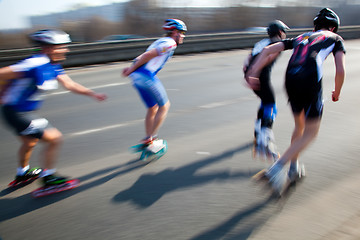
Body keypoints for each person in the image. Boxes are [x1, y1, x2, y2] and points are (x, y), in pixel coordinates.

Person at [245, 8, 345, 194]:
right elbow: (340, 70)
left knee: (299, 126)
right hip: (309, 80)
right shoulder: (335, 39)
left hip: (290, 79)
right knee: (311, 132)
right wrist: (337, 91)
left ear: (316, 26)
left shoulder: (302, 37)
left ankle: (294, 167)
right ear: (333, 28)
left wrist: (253, 72)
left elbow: (267, 50)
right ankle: (276, 169)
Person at [0, 29, 107, 187]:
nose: (66, 49)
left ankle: (22, 173)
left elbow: (70, 84)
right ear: (49, 48)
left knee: (30, 142)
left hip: (22, 112)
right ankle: (49, 178)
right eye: (62, 46)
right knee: (55, 139)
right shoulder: (35, 63)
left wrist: (92, 93)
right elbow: (2, 74)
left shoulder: (53, 66)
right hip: (16, 112)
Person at [122, 19, 187, 150]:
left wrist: (132, 69)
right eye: (181, 32)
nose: (183, 36)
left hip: (137, 77)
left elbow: (141, 57)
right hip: (146, 75)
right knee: (165, 106)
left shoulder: (160, 41)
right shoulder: (170, 43)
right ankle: (152, 138)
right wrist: (131, 69)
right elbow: (148, 55)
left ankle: (148, 137)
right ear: (174, 32)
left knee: (152, 108)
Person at [243, 20, 289, 161]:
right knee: (270, 104)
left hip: (250, 74)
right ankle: (264, 137)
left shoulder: (262, 42)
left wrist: (247, 74)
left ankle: (258, 132)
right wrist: (255, 74)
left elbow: (248, 59)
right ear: (280, 32)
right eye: (284, 32)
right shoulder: (276, 45)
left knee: (265, 101)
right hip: (260, 76)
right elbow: (267, 57)